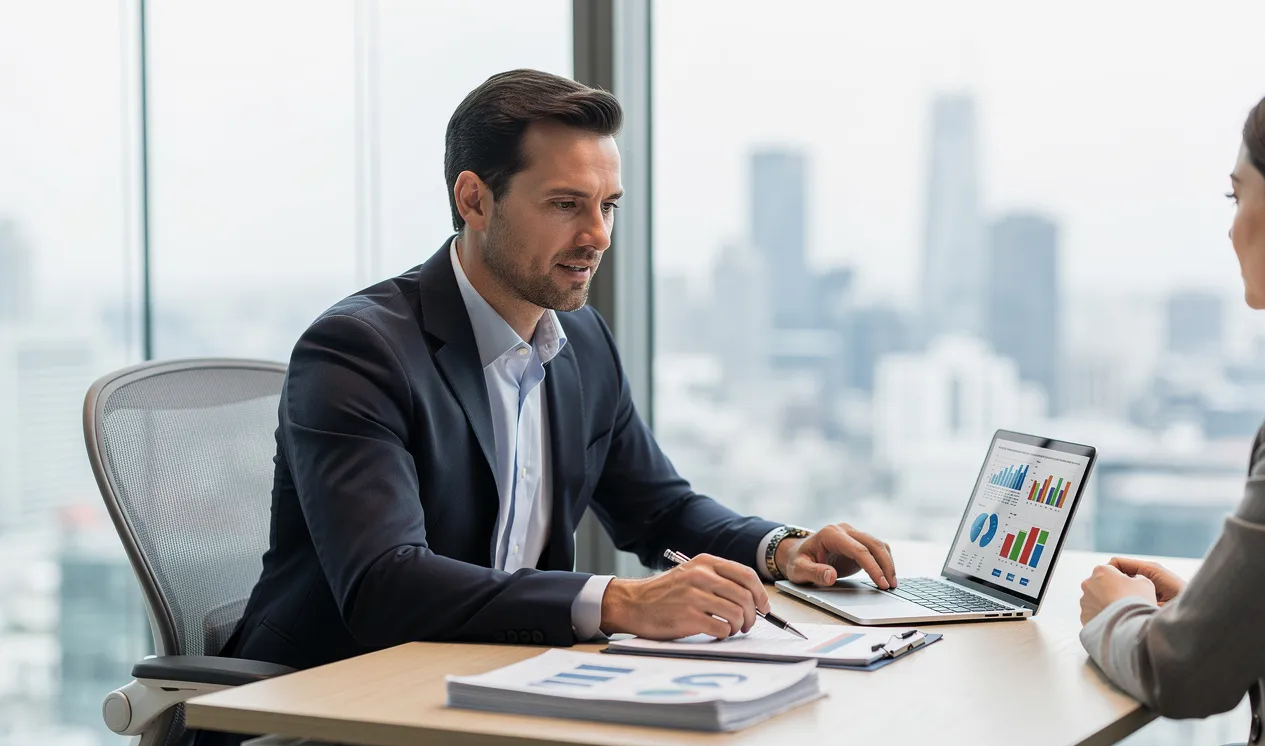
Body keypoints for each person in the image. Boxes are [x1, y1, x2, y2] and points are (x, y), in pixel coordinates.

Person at [220, 69, 897, 672]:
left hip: (502, 680)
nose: (598, 235)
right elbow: (383, 584)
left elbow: (658, 508)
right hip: (332, 697)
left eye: (607, 206)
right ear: (475, 200)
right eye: (566, 204)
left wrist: (782, 548)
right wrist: (623, 601)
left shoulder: (580, 338)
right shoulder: (358, 351)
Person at [1078, 66, 1265, 746]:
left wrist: (1120, 615)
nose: (1230, 231)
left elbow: (1185, 674)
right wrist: (1215, 604)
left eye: (1238, 196)